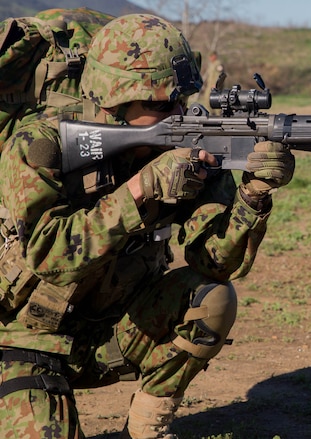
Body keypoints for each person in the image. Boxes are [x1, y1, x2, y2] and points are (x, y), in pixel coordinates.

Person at [0, 13, 295, 439]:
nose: (175, 115)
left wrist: (252, 196)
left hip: (108, 336)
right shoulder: (41, 144)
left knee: (212, 298)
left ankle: (146, 425)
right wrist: (141, 190)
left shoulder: (190, 147)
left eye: (180, 101)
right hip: (21, 343)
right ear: (113, 100)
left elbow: (211, 263)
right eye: (158, 105)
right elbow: (48, 257)